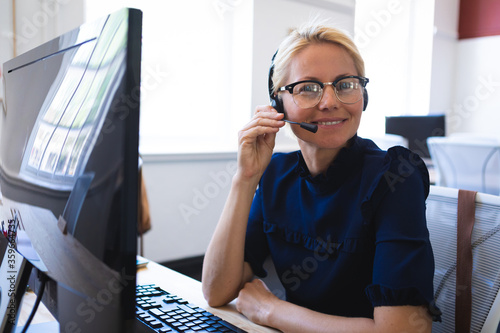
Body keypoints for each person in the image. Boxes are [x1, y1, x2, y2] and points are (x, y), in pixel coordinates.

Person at [202, 20, 440, 333]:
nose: (329, 102)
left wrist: (271, 310)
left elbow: (401, 331)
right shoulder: (276, 174)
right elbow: (217, 291)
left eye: (345, 84)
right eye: (308, 88)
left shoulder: (394, 177)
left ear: (363, 97)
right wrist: (244, 178)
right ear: (278, 103)